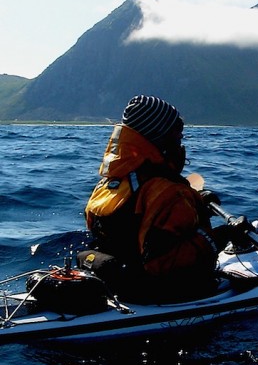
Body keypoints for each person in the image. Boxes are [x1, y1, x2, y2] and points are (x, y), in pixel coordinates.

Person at [84, 94, 244, 303]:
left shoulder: (111, 182)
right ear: (161, 141)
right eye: (178, 138)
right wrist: (223, 236)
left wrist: (197, 204)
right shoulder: (169, 192)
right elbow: (164, 263)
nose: (181, 147)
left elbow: (135, 221)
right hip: (157, 293)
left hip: (117, 280)